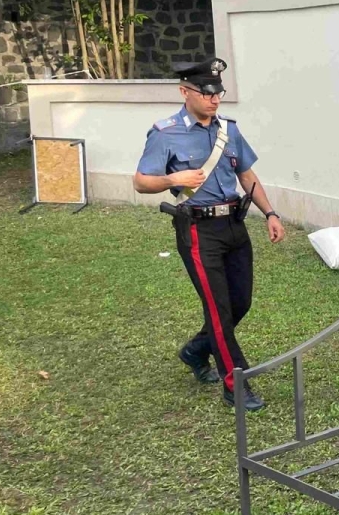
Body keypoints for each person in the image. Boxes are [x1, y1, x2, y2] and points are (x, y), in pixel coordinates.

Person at [133, 57, 285, 412]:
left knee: (239, 303)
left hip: (234, 224)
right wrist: (173, 180)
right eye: (207, 93)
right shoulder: (165, 133)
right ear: (185, 92)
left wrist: (271, 213)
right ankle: (236, 383)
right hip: (199, 230)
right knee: (218, 307)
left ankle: (195, 351)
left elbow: (247, 175)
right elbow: (141, 182)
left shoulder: (228, 130)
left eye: (219, 93)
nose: (215, 100)